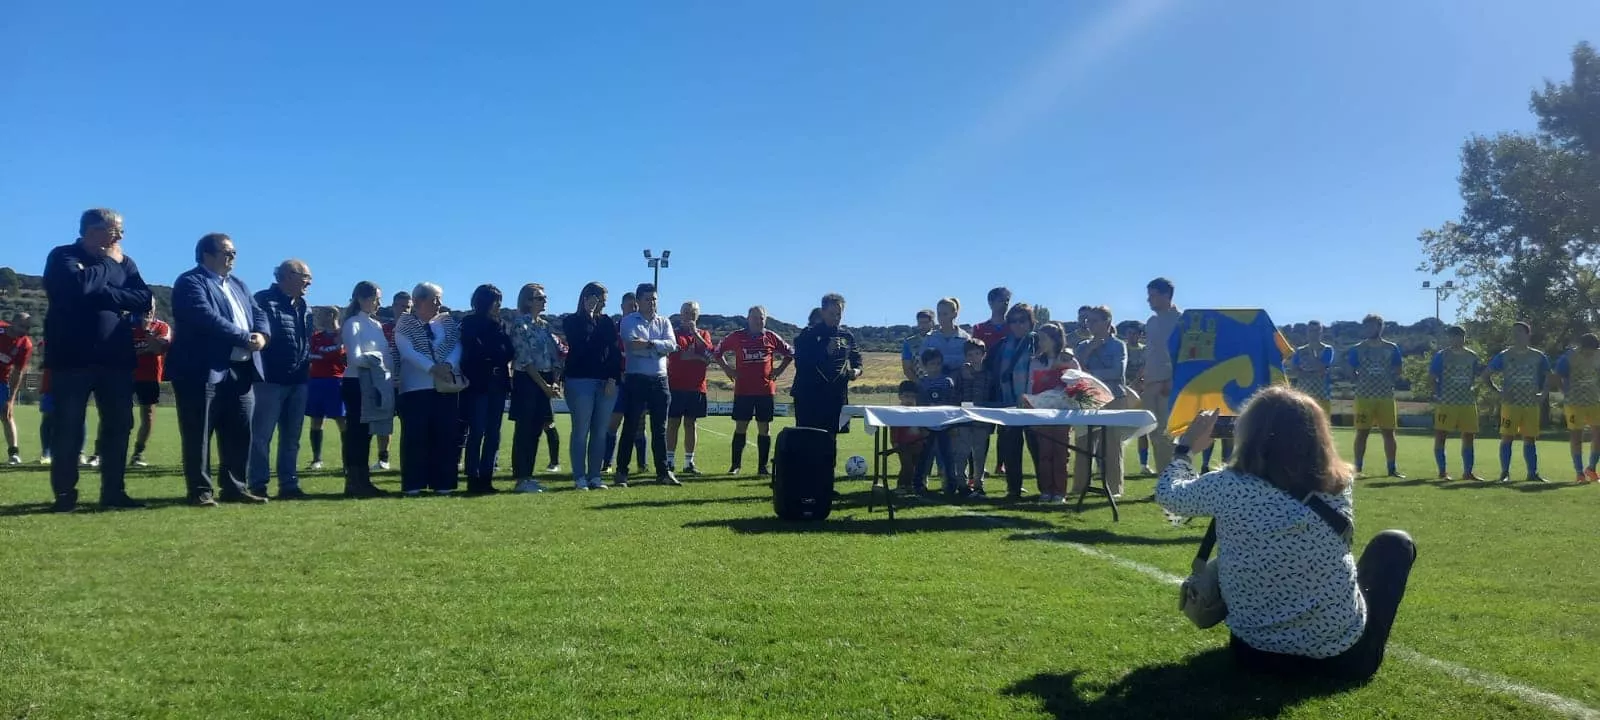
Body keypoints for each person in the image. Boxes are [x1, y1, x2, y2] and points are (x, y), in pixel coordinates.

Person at [1157, 389, 1416, 682]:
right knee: (1394, 544)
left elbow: (1169, 494)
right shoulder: (1339, 484)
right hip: (1340, 659)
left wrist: (1186, 448)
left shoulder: (1227, 486)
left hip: (1253, 655)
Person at [41, 210, 153, 511]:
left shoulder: (125, 261)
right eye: (115, 230)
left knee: (119, 425)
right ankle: (65, 495)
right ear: (93, 230)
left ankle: (113, 492)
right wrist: (107, 264)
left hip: (115, 359)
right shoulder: (63, 255)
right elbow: (76, 288)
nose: (120, 237)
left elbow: (144, 298)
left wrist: (103, 293)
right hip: (72, 358)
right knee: (68, 427)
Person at [168, 233, 271, 507]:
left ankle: (235, 487)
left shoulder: (238, 284)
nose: (233, 257)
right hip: (201, 369)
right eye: (228, 252)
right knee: (198, 433)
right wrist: (244, 338)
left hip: (241, 369)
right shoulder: (190, 282)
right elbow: (204, 317)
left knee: (239, 431)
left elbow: (258, 313)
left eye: (234, 252)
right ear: (207, 255)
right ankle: (200, 491)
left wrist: (262, 334)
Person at [245, 260, 314, 499]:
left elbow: (306, 341)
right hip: (269, 381)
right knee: (262, 436)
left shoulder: (305, 306)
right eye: (305, 276)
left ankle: (289, 484)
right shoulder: (263, 300)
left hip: (298, 380)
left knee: (292, 437)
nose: (310, 282)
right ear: (288, 275)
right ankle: (257, 483)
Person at [394, 282, 465, 495]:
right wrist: (432, 368)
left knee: (445, 435)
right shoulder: (404, 324)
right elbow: (407, 351)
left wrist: (448, 365)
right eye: (434, 300)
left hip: (445, 388)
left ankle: (443, 483)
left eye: (439, 299)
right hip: (415, 388)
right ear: (418, 301)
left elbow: (456, 346)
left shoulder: (446, 323)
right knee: (415, 437)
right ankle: (413, 484)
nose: (439, 304)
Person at [716, 305, 794, 476]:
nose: (759, 321)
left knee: (764, 428)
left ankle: (762, 467)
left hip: (765, 391)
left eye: (762, 318)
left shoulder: (771, 337)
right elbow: (717, 352)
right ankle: (735, 466)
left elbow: (790, 353)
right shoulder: (737, 336)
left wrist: (779, 370)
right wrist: (728, 369)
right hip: (743, 391)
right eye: (755, 318)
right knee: (741, 427)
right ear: (748, 319)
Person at [617, 282, 680, 487]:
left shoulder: (664, 322)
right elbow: (632, 345)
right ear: (638, 301)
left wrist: (651, 344)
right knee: (631, 426)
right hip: (636, 379)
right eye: (647, 299)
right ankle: (621, 472)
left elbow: (672, 345)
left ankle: (663, 473)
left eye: (654, 299)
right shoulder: (628, 321)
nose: (652, 303)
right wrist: (657, 346)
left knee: (659, 429)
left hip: (660, 381)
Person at [563, 282, 621, 490]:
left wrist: (613, 379)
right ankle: (579, 477)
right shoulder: (571, 321)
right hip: (580, 380)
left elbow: (614, 352)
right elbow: (580, 344)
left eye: (604, 299)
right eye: (600, 298)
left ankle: (595, 475)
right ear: (587, 298)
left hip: (605, 382)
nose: (603, 302)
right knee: (581, 430)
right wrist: (587, 315)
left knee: (600, 431)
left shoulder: (607, 322)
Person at [458, 284, 515, 494]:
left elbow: (508, 351)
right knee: (477, 431)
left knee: (494, 433)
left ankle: (487, 476)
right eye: (495, 300)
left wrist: (494, 356)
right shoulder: (470, 323)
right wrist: (493, 356)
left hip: (498, 384)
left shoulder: (501, 324)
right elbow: (474, 351)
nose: (498, 305)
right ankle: (473, 477)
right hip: (478, 385)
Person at [338, 281, 391, 497]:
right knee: (356, 434)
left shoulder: (375, 325)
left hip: (374, 383)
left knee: (367, 433)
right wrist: (377, 359)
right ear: (362, 298)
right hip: (356, 383)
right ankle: (353, 481)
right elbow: (354, 358)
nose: (379, 303)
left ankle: (363, 480)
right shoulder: (353, 323)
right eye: (375, 298)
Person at [509, 283, 563, 493]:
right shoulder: (520, 324)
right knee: (524, 430)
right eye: (539, 298)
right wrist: (544, 386)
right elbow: (524, 358)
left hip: (546, 381)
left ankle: (529, 476)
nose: (544, 301)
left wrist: (555, 382)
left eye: (544, 297)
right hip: (528, 381)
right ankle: (521, 478)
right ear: (527, 301)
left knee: (537, 430)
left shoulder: (545, 326)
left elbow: (555, 355)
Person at [1074, 306, 1133, 499]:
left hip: (1114, 398)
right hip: (1088, 399)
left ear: (1107, 323)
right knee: (1083, 444)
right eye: (1087, 321)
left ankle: (1114, 488)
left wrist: (1091, 375)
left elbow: (1117, 372)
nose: (1089, 325)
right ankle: (1079, 487)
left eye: (1094, 321)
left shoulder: (1118, 345)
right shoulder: (1082, 346)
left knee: (1112, 444)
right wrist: (1090, 349)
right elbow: (1076, 371)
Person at [1482, 322, 1550, 484]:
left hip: (1530, 404)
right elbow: (1486, 375)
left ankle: (1532, 473)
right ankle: (1504, 473)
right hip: (1510, 405)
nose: (1516, 335)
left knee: (1530, 439)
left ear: (1528, 334)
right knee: (1507, 437)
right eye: (1514, 333)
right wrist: (1498, 391)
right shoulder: (1504, 355)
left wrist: (1543, 394)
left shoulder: (1538, 356)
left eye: (1520, 332)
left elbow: (1549, 376)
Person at [791, 293, 864, 434]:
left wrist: (856, 371)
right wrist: (825, 351)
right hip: (810, 395)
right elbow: (801, 363)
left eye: (839, 314)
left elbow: (857, 359)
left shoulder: (847, 336)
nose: (836, 318)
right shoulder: (808, 335)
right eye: (832, 314)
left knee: (831, 441)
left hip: (836, 395)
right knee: (807, 439)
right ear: (823, 312)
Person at [1348, 314, 1404, 479]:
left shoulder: (1391, 348)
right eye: (1367, 326)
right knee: (1362, 433)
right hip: (1364, 397)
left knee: (1389, 433)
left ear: (1380, 327)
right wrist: (1361, 381)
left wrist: (1389, 380)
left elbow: (1399, 368)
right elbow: (1351, 370)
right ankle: (1357, 469)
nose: (1370, 329)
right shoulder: (1357, 348)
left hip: (1386, 397)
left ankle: (1392, 469)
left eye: (1373, 326)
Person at [993, 303, 1040, 500]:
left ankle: (1047, 488)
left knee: (1039, 449)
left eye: (1022, 320)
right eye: (1013, 321)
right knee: (1011, 449)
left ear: (1031, 322)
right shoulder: (1003, 345)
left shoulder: (1039, 342)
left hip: (1035, 404)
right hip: (1009, 403)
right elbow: (993, 372)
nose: (1018, 325)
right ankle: (1013, 489)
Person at [1029, 323, 1080, 503]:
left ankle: (1059, 492)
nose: (1040, 342)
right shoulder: (1036, 361)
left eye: (1044, 338)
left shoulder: (1069, 360)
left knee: (1060, 453)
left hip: (1063, 413)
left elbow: (1078, 386)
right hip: (1042, 413)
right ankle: (1046, 490)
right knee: (1044, 452)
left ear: (1055, 339)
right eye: (1039, 339)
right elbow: (1031, 387)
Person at [1428, 326, 1483, 481]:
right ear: (1449, 338)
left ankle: (1468, 472)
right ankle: (1442, 471)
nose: (1457, 339)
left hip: (1467, 402)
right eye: (1453, 336)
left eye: (1460, 336)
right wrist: (1436, 394)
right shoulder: (1441, 356)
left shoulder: (1472, 356)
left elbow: (1476, 377)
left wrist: (1475, 389)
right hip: (1447, 403)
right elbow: (1432, 377)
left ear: (1464, 337)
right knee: (1441, 436)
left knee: (1468, 437)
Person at [667, 301, 714, 475]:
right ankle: (669, 460)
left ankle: (689, 462)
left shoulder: (703, 334)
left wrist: (696, 335)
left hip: (696, 387)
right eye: (686, 312)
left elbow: (710, 353)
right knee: (673, 423)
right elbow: (677, 356)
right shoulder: (674, 333)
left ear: (698, 316)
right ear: (681, 315)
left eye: (693, 313)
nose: (689, 316)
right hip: (676, 385)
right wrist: (698, 357)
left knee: (690, 424)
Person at [604, 292, 649, 475]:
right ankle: (607, 463)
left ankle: (642, 464)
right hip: (619, 381)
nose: (633, 309)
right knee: (613, 423)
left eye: (636, 306)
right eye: (630, 306)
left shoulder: (643, 329)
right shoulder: (614, 329)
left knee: (640, 424)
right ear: (622, 307)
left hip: (638, 381)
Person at [1143, 278, 1182, 475]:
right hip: (1150, 384)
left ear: (1166, 295)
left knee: (1171, 435)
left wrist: (1172, 381)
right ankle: (1163, 482)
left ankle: (1178, 481)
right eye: (1148, 295)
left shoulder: (1181, 320)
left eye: (1153, 296)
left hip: (1169, 385)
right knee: (1155, 435)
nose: (1149, 300)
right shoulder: (1151, 322)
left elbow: (1184, 355)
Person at [304, 305, 345, 471]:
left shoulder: (342, 335)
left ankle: (347, 461)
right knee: (316, 420)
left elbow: (340, 355)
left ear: (332, 315)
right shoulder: (316, 336)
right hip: (316, 380)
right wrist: (328, 352)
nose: (318, 318)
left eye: (321, 314)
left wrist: (325, 353)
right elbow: (311, 355)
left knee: (342, 420)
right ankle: (316, 459)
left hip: (336, 381)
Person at [912, 348, 959, 495]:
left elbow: (953, 404)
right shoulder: (921, 383)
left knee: (947, 457)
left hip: (945, 426)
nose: (936, 367)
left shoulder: (947, 382)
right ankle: (919, 483)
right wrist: (921, 426)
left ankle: (950, 484)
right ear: (924, 366)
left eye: (938, 363)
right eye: (932, 364)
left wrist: (953, 425)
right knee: (924, 457)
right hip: (927, 427)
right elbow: (918, 407)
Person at [374, 290, 411, 472]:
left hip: (408, 384)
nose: (405, 310)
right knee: (384, 422)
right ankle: (383, 459)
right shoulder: (383, 329)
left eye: (408, 307)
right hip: (386, 382)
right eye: (401, 306)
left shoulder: (414, 329)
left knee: (409, 424)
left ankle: (408, 458)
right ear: (394, 306)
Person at [128, 310, 171, 467]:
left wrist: (146, 330)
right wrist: (146, 350)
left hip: (150, 376)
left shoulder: (162, 326)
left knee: (148, 416)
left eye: (150, 306)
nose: (147, 310)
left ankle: (138, 453)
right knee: (118, 415)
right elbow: (122, 352)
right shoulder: (126, 325)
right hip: (126, 375)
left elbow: (159, 348)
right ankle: (100, 453)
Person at [1557, 333, 1600, 484]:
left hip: (1594, 401)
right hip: (1574, 403)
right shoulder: (1569, 357)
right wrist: (1565, 392)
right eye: (1588, 350)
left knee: (1598, 434)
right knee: (1577, 437)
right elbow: (1557, 375)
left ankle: (1592, 468)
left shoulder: (1598, 355)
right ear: (1582, 347)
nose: (1590, 353)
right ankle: (1579, 472)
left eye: (1593, 350)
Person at [954, 338, 993, 497]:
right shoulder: (960, 374)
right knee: (962, 453)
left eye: (977, 353)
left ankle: (978, 483)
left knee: (979, 454)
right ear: (965, 356)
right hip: (963, 419)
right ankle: (961, 484)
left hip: (982, 421)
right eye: (970, 354)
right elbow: (956, 394)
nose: (974, 357)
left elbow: (991, 397)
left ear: (983, 355)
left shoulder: (989, 375)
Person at [1, 314, 36, 465]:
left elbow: (18, 372)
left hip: (2, 380)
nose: (25, 331)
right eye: (22, 326)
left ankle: (13, 453)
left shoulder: (25, 345)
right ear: (12, 323)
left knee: (6, 414)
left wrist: (11, 399)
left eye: (28, 328)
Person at [1120, 321, 1152, 474]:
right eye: (1129, 333)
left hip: (1140, 392)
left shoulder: (1145, 351)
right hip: (1122, 392)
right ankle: (1109, 463)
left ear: (1140, 335)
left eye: (1135, 333)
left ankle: (1143, 465)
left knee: (1143, 429)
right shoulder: (1122, 348)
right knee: (1116, 430)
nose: (1132, 337)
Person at [1290, 321, 1336, 416]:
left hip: (1322, 393)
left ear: (1321, 332)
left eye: (1317, 331)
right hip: (1303, 392)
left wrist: (1311, 358)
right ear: (1307, 332)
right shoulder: (1299, 351)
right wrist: (1311, 371)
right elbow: (1295, 369)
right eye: (1311, 331)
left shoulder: (1327, 349)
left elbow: (1322, 367)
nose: (1314, 334)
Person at [892, 380, 927, 491]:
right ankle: (901, 485)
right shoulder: (897, 412)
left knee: (916, 466)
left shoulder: (918, 411)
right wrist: (895, 442)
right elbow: (894, 429)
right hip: (903, 444)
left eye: (912, 397)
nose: (909, 399)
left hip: (917, 444)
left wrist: (923, 439)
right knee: (907, 466)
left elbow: (922, 427)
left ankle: (910, 485)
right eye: (906, 396)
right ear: (900, 397)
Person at [972, 287, 1011, 352]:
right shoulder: (979, 329)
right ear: (991, 303)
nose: (1005, 303)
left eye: (1007, 300)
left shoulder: (1014, 327)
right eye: (1001, 300)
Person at [900, 309, 935, 380]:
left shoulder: (940, 338)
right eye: (920, 323)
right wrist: (918, 383)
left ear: (932, 323)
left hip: (940, 382)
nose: (922, 326)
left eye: (925, 323)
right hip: (919, 382)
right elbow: (907, 368)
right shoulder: (909, 342)